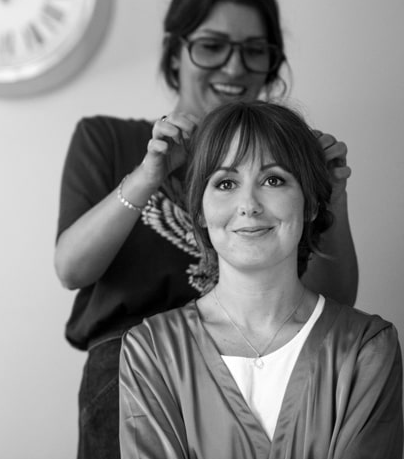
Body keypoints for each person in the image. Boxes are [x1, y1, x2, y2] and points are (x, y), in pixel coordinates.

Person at [54, 0, 359, 459]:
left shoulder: (288, 161)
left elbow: (336, 305)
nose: (234, 68)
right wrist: (150, 173)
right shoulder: (110, 139)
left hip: (260, 370)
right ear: (175, 54)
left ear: (272, 64)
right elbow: (71, 268)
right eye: (212, 46)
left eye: (254, 50)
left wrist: (333, 197)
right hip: (128, 369)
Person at [118, 100, 402, 457]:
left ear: (311, 205)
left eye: (273, 179)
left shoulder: (366, 347)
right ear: (200, 212)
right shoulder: (151, 351)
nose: (248, 204)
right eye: (225, 183)